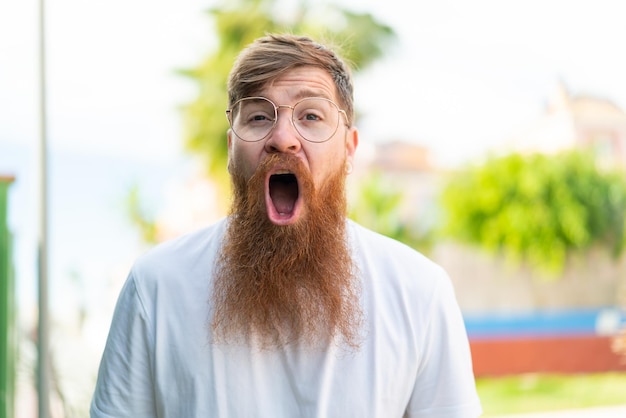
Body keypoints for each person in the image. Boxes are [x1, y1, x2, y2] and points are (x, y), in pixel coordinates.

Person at [90, 33, 482, 418]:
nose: (283, 138)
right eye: (259, 116)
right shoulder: (156, 286)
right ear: (231, 148)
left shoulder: (420, 291)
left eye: (311, 116)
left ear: (349, 147)